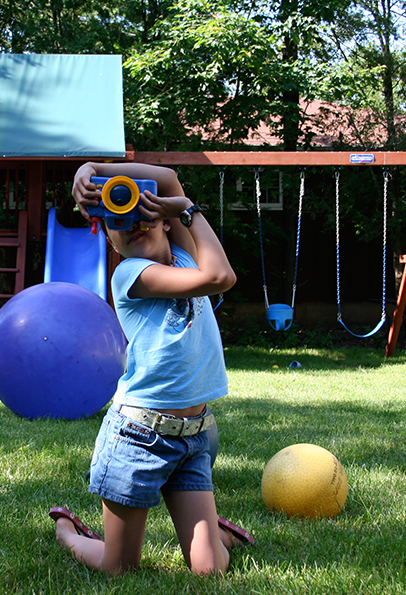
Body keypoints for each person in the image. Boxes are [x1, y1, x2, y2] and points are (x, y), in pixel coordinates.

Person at [49, 163, 254, 576]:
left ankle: (215, 537)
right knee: (119, 569)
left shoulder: (182, 254)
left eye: (142, 211)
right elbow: (220, 276)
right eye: (115, 220)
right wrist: (187, 211)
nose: (132, 223)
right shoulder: (130, 274)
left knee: (210, 572)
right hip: (138, 438)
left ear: (162, 217)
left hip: (193, 437)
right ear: (108, 235)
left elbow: (167, 176)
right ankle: (70, 533)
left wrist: (94, 168)